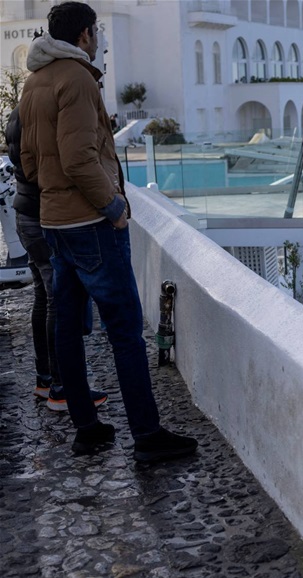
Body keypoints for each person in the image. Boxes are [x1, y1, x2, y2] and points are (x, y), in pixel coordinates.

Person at [18, 1, 197, 462]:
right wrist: (113, 206)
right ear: (84, 35)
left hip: (54, 221)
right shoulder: (76, 78)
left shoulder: (35, 80)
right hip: (91, 224)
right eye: (95, 32)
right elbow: (78, 157)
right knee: (124, 332)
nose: (97, 40)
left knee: (67, 326)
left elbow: (29, 159)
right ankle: (147, 435)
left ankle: (87, 427)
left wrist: (56, 197)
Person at [5, 105, 108, 412]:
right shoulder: (42, 113)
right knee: (58, 300)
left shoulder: (18, 111)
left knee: (43, 295)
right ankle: (62, 389)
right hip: (42, 215)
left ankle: (45, 379)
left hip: (24, 213)